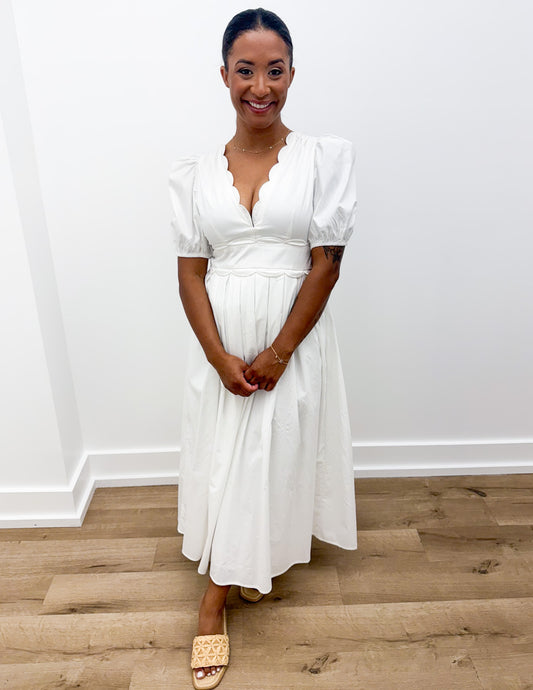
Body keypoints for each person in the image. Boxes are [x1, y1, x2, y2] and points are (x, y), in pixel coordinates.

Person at [168, 8, 358, 689]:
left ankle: (213, 598)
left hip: (290, 333)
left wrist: (278, 351)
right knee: (230, 456)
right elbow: (190, 273)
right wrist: (218, 356)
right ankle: (234, 576)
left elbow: (326, 264)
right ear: (223, 75)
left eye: (274, 70)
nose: (260, 86)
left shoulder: (324, 158)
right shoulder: (193, 174)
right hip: (221, 338)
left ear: (292, 75)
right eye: (245, 70)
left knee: (267, 453)